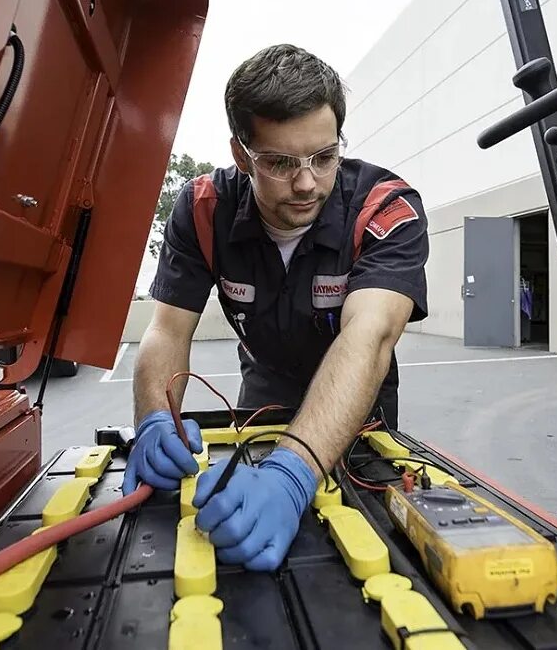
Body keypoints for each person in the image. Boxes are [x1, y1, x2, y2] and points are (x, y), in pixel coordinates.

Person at [121, 44, 429, 571]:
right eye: (281, 163)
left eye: (324, 157)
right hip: (262, 392)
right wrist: (155, 417)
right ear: (242, 156)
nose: (307, 182)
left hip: (359, 410)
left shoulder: (384, 208)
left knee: (360, 554)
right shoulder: (201, 211)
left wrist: (294, 472)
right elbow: (168, 330)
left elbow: (370, 336)